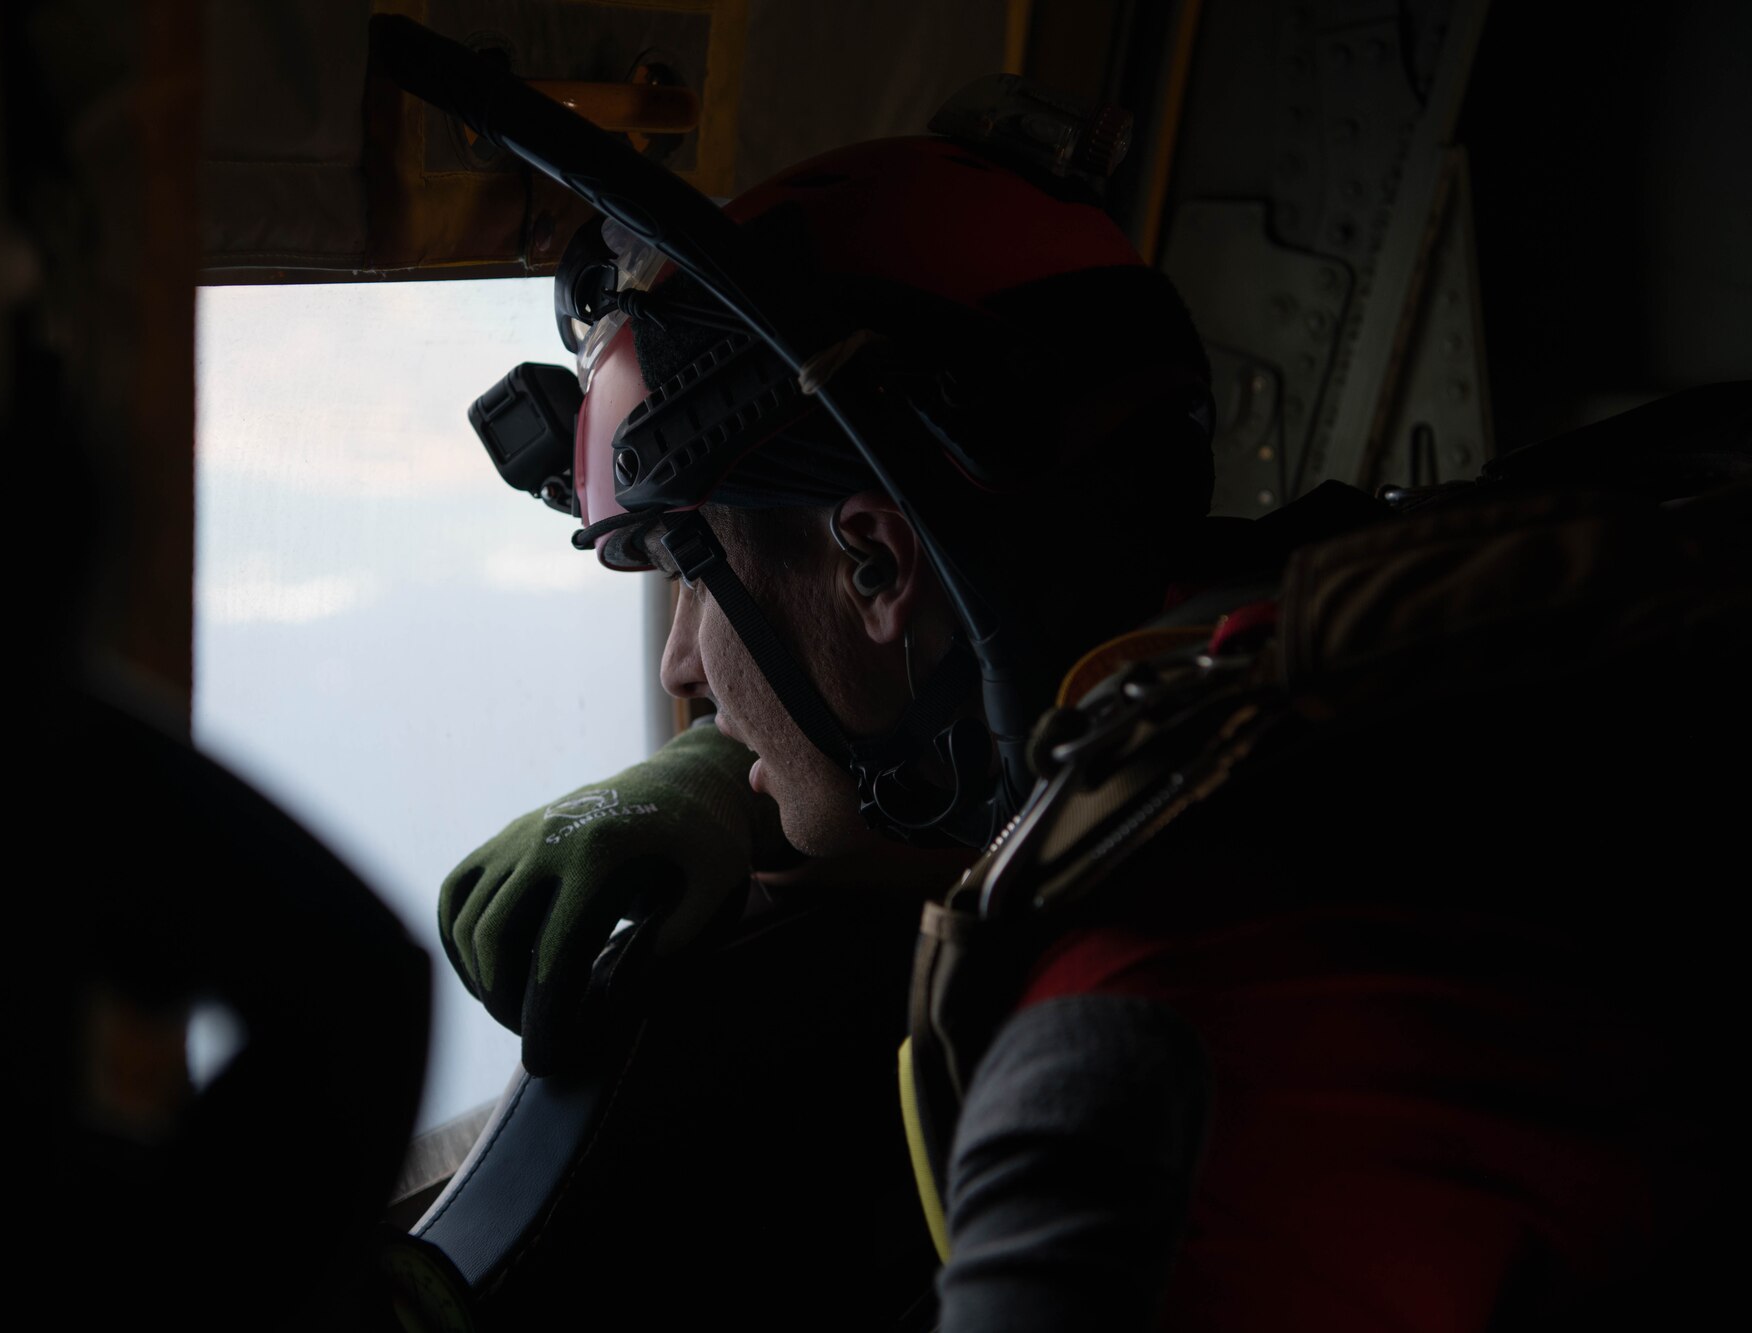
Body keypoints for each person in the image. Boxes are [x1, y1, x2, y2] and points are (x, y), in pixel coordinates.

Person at [439, 74, 1748, 1332]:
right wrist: (748, 764)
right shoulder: (1363, 632)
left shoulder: (1143, 1049)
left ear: (879, 561)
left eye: (691, 578)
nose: (676, 670)